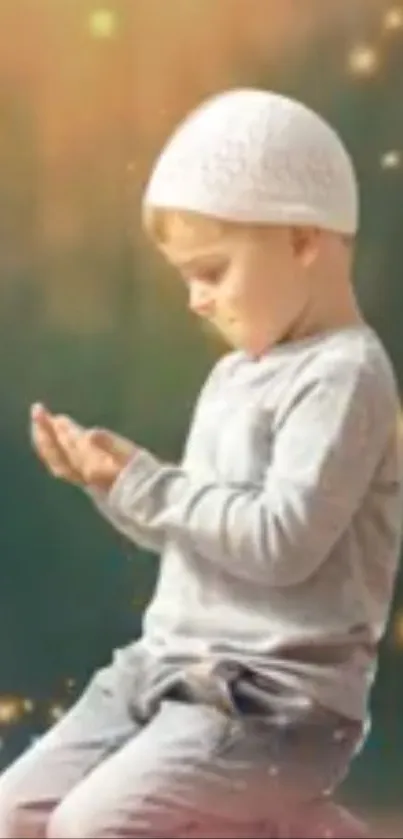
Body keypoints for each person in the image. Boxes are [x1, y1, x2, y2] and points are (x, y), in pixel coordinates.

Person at [0, 88, 401, 838]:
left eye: (211, 271)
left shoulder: (344, 375)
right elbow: (205, 537)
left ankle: (283, 818)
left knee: (93, 827)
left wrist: (149, 485)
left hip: (271, 703)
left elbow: (280, 543)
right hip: (164, 671)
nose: (195, 299)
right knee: (14, 814)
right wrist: (111, 485)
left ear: (303, 239)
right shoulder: (234, 374)